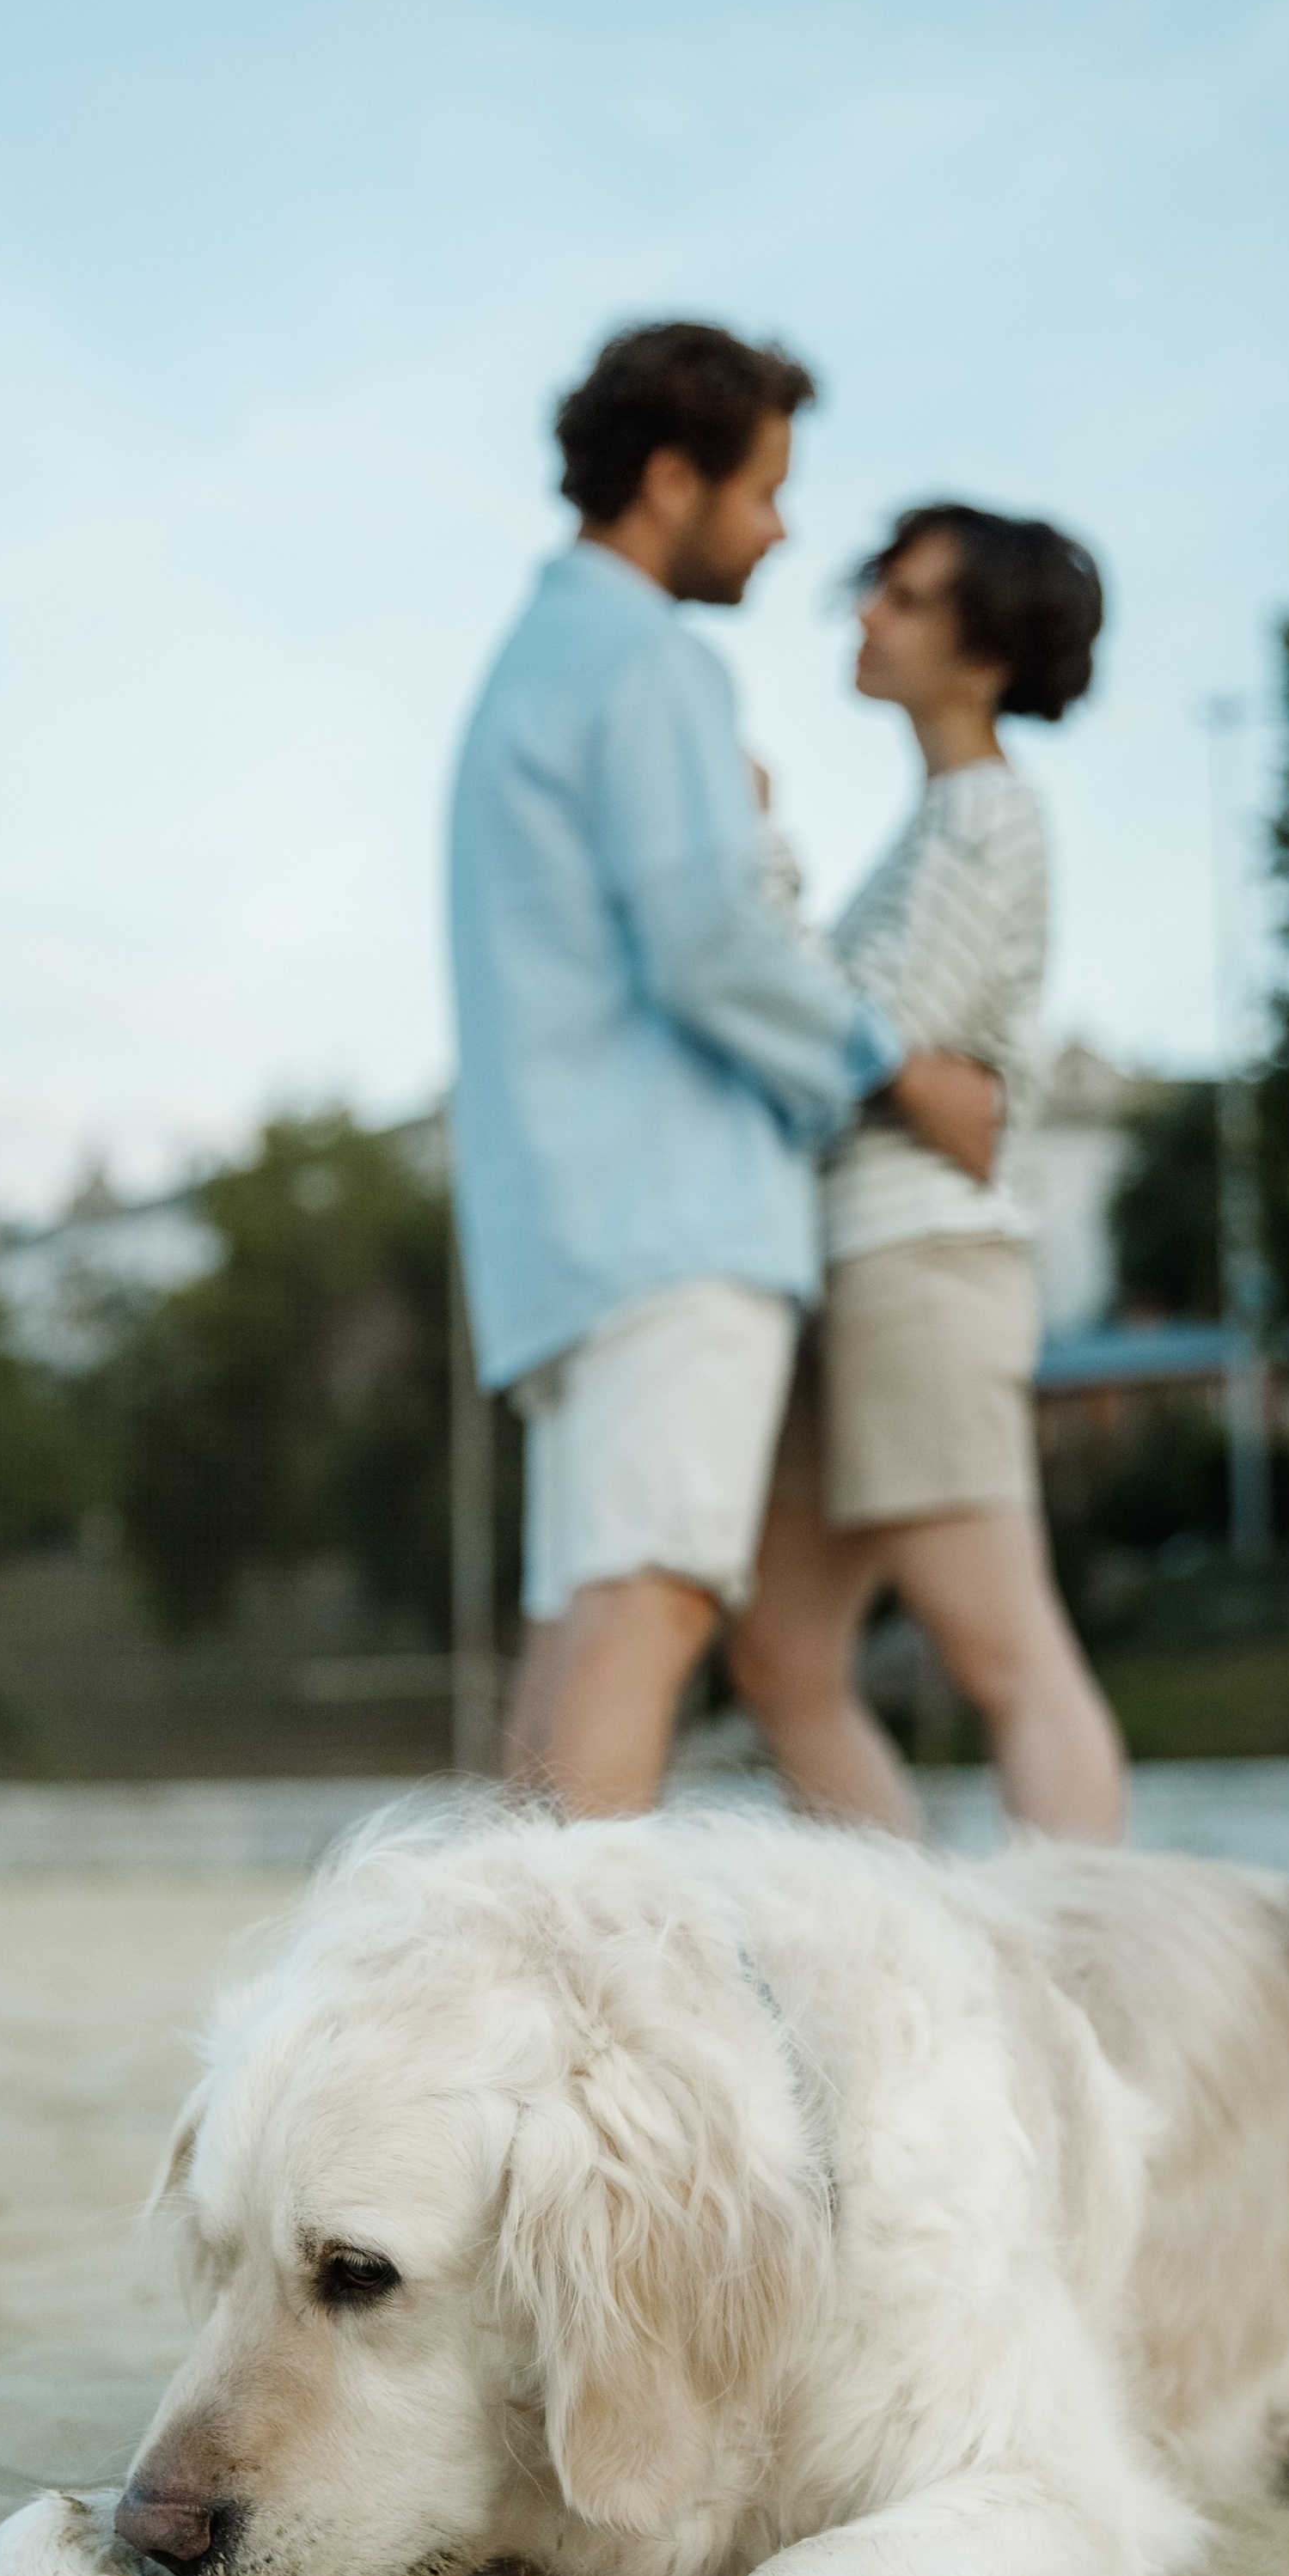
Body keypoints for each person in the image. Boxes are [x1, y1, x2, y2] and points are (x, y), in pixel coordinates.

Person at [448, 323, 1002, 1817]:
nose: (782, 530)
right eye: (764, 490)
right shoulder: (647, 663)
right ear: (670, 478)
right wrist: (896, 1065)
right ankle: (567, 2022)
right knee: (657, 1600)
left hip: (568, 1229)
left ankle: (497, 2010)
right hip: (670, 1222)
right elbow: (708, 937)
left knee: (586, 1611)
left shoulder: (535, 662)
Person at [728, 502, 1129, 1840]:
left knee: (1005, 1655)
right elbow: (874, 1042)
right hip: (846, 1271)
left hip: (919, 1269)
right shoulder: (937, 825)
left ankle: (1088, 1992)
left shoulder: (986, 816)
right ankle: (905, 1970)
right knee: (781, 1662)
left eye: (904, 599)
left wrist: (763, 845)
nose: (867, 616)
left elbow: (854, 1029)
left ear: (986, 654)